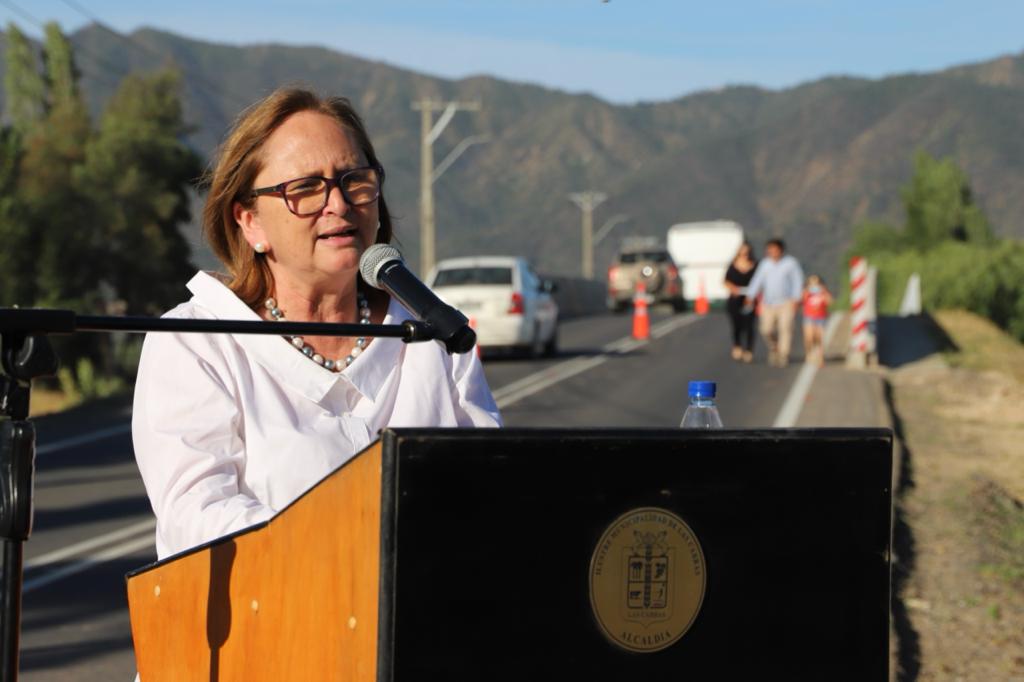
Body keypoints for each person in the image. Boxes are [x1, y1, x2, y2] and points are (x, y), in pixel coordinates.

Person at [132, 88, 501, 561]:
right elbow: (200, 518)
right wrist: (360, 547)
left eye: (356, 180)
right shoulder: (198, 342)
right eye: (305, 188)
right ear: (250, 223)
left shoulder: (434, 333)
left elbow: (491, 487)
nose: (340, 205)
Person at [744, 238, 804, 367]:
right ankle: (774, 347)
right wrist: (751, 295)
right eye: (770, 249)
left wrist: (797, 298)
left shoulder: (790, 263)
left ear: (780, 250)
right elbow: (757, 280)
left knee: (785, 328)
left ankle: (783, 355)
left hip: (786, 302)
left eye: (774, 249)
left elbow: (797, 281)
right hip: (768, 303)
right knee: (766, 329)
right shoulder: (765, 264)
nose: (772, 252)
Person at [723, 241, 758, 363]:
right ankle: (737, 345)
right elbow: (725, 281)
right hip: (735, 298)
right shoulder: (732, 266)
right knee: (736, 323)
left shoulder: (756, 265)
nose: (745, 255)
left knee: (749, 324)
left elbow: (759, 281)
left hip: (750, 298)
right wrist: (734, 289)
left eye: (747, 253)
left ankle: (749, 350)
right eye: (742, 253)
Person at [802, 274, 832, 367]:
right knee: (809, 337)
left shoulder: (824, 292)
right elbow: (801, 299)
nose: (814, 286)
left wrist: (824, 292)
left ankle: (820, 357)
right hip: (809, 317)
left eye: (817, 284)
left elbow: (830, 302)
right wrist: (807, 291)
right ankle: (809, 353)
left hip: (821, 317)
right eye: (812, 284)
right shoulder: (806, 293)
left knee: (820, 338)